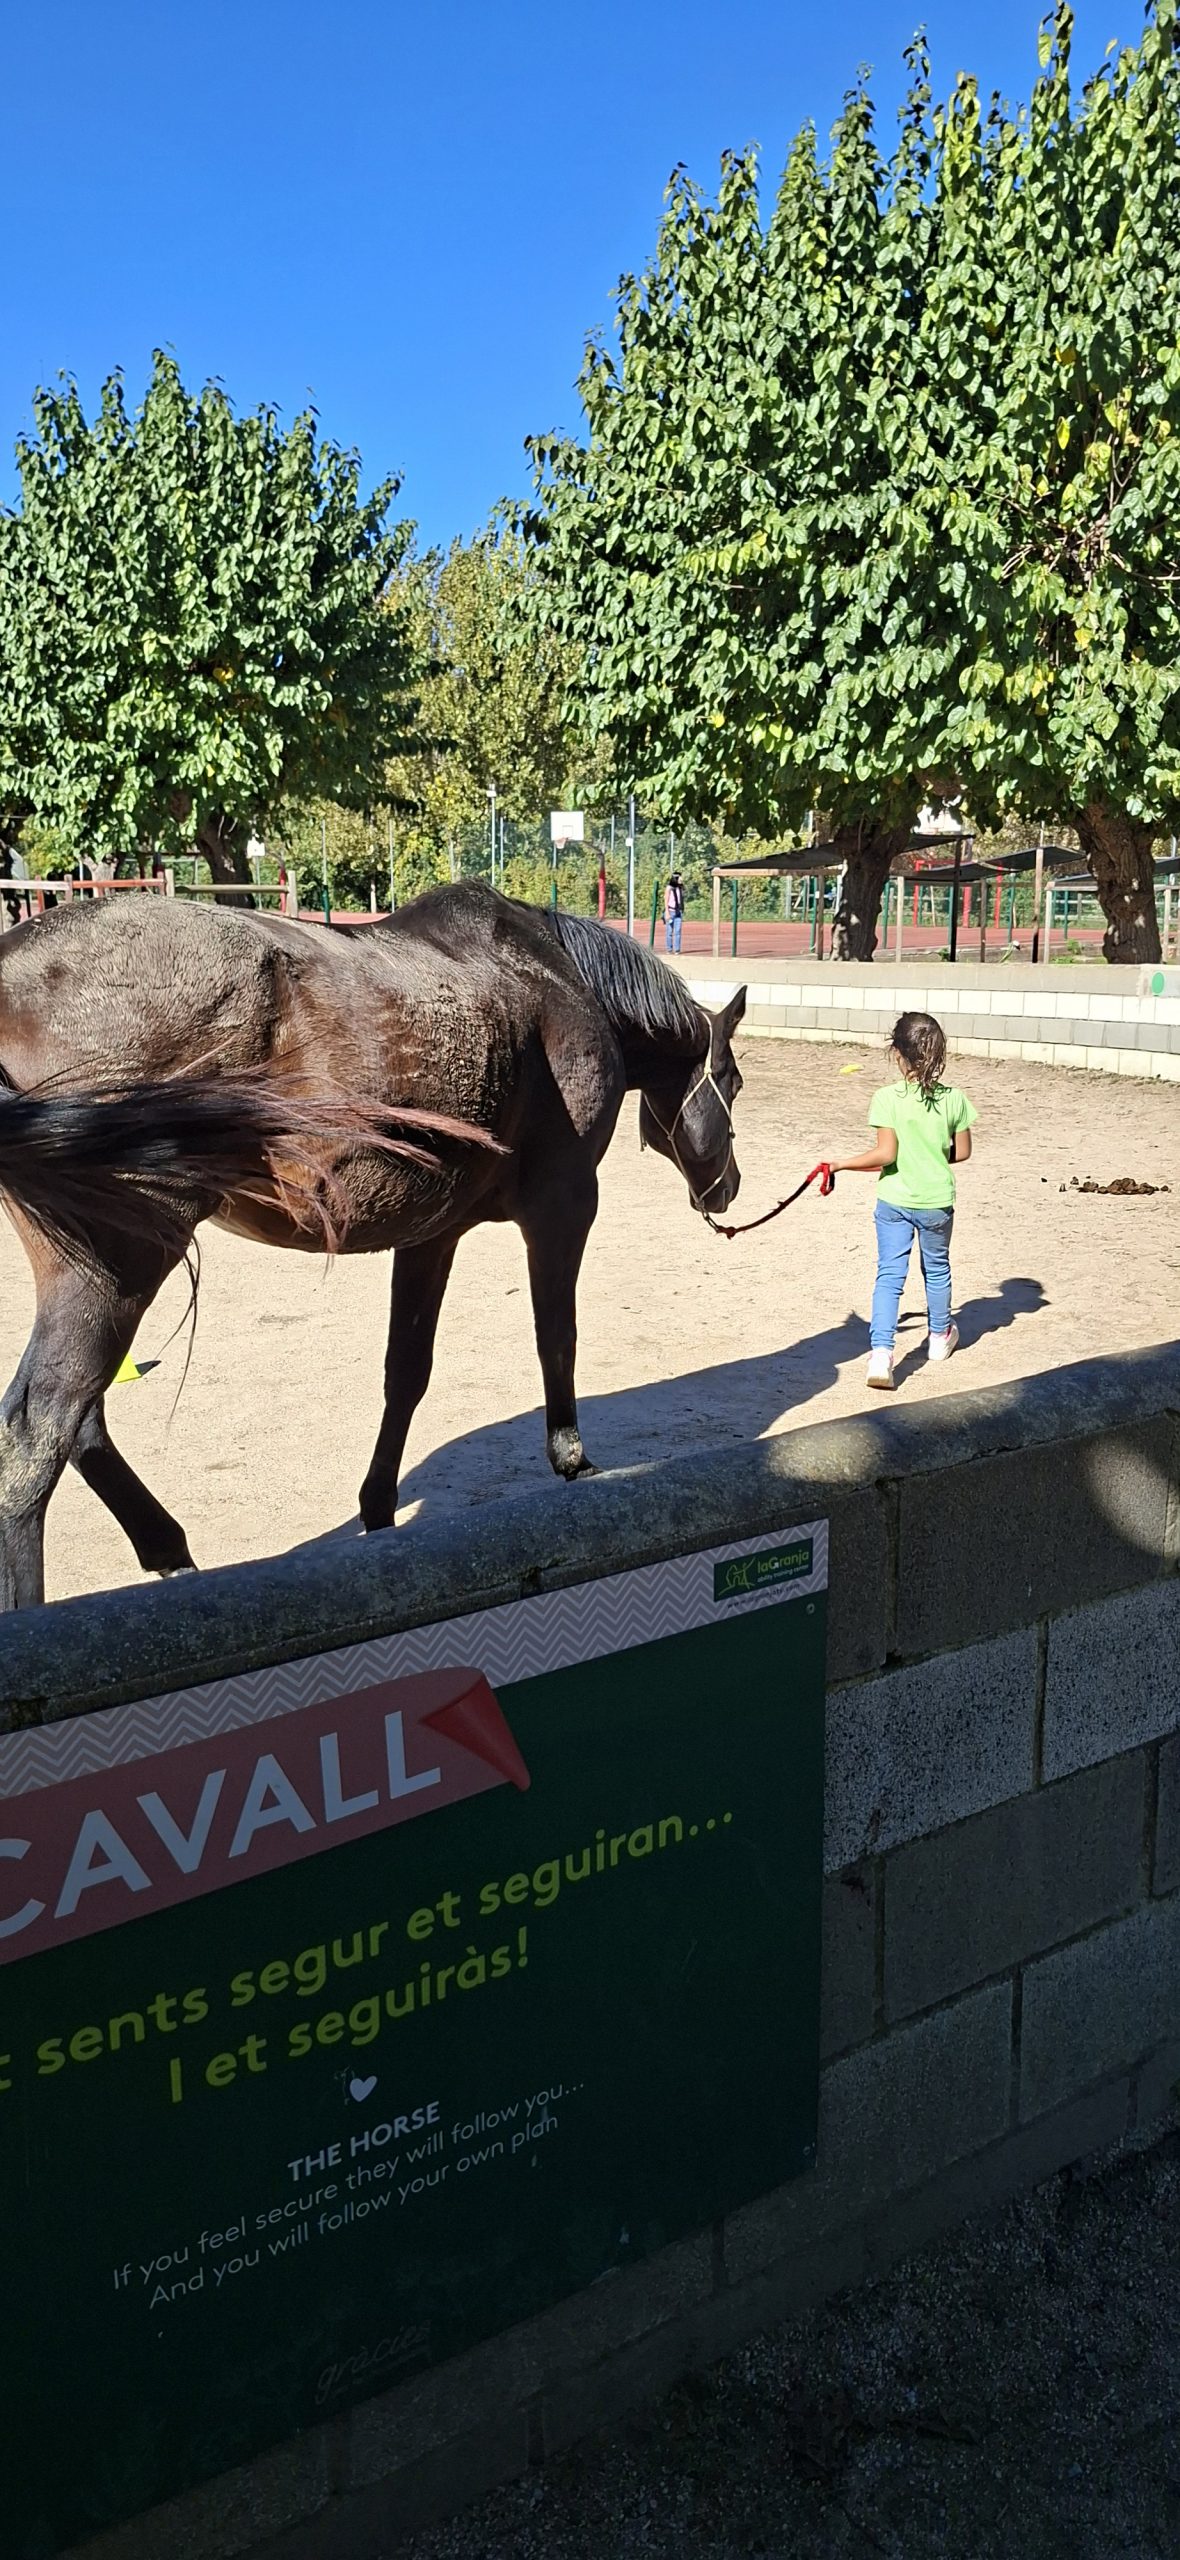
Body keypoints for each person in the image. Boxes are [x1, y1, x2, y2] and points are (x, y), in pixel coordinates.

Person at [829, 1010, 977, 1391]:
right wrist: (929, 1155)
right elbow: (962, 1152)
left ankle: (881, 1353)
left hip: (894, 1201)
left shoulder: (886, 1099)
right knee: (937, 1269)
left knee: (890, 1275)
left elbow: (885, 1155)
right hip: (936, 1202)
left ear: (897, 1053)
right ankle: (940, 1336)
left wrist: (841, 1164)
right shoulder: (955, 1100)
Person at [664, 871, 684, 954]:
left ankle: (677, 949)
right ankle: (669, 949)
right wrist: (667, 912)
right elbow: (666, 900)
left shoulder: (680, 887)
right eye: (679, 877)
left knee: (678, 931)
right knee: (669, 931)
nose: (681, 879)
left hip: (678, 911)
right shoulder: (669, 888)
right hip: (670, 911)